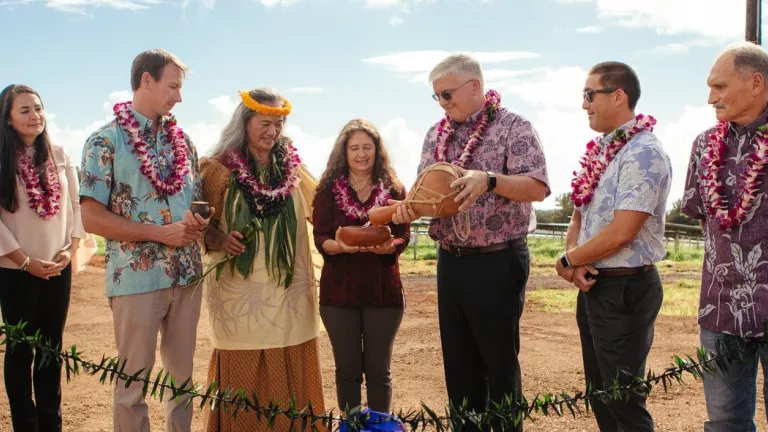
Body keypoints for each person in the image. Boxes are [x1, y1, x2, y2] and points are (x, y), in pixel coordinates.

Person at [391, 53, 550, 431]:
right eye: (437, 97)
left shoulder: (514, 126)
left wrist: (489, 180)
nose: (443, 104)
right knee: (459, 365)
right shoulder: (435, 134)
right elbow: (426, 195)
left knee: (498, 364)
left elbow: (538, 187)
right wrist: (406, 211)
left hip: (497, 260)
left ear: (475, 87)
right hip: (451, 260)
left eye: (447, 94)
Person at [79, 49, 210, 432]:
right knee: (132, 385)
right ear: (146, 80)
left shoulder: (184, 142)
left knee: (181, 383)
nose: (179, 97)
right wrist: (158, 233)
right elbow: (91, 217)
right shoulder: (104, 142)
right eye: (173, 86)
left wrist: (201, 222)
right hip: (136, 280)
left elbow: (196, 202)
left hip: (187, 276)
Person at [554, 61, 672, 432]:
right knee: (601, 394)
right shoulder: (603, 151)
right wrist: (574, 265)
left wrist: (567, 259)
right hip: (596, 286)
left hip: (626, 288)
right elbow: (579, 217)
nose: (584, 104)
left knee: (623, 400)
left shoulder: (643, 152)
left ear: (619, 96)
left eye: (590, 94)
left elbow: (623, 231)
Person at [199, 87, 325, 431]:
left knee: (292, 358)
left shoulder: (294, 169)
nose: (272, 131)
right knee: (244, 373)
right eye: (265, 123)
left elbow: (323, 207)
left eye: (278, 124)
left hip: (289, 293)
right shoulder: (219, 167)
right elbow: (199, 222)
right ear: (245, 121)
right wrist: (219, 238)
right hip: (240, 294)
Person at [682, 41, 768, 432]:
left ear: (756, 82)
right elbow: (706, 220)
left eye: (719, 87)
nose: (710, 98)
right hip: (721, 312)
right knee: (725, 423)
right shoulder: (704, 145)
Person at [0, 84, 86, 432]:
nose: (35, 115)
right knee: (21, 352)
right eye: (24, 110)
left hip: (56, 267)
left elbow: (77, 205)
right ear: (7, 119)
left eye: (38, 108)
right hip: (14, 269)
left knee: (52, 349)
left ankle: (51, 424)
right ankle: (25, 425)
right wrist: (23, 260)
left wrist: (71, 247)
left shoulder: (59, 153)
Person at [312, 119, 410, 414]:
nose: (361, 154)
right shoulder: (327, 190)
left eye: (367, 147)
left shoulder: (394, 189)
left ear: (377, 150)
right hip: (339, 293)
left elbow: (403, 236)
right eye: (354, 147)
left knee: (379, 371)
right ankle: (352, 426)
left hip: (383, 291)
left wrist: (388, 246)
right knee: (348, 370)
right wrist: (342, 246)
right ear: (343, 151)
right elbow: (321, 238)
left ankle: (379, 427)